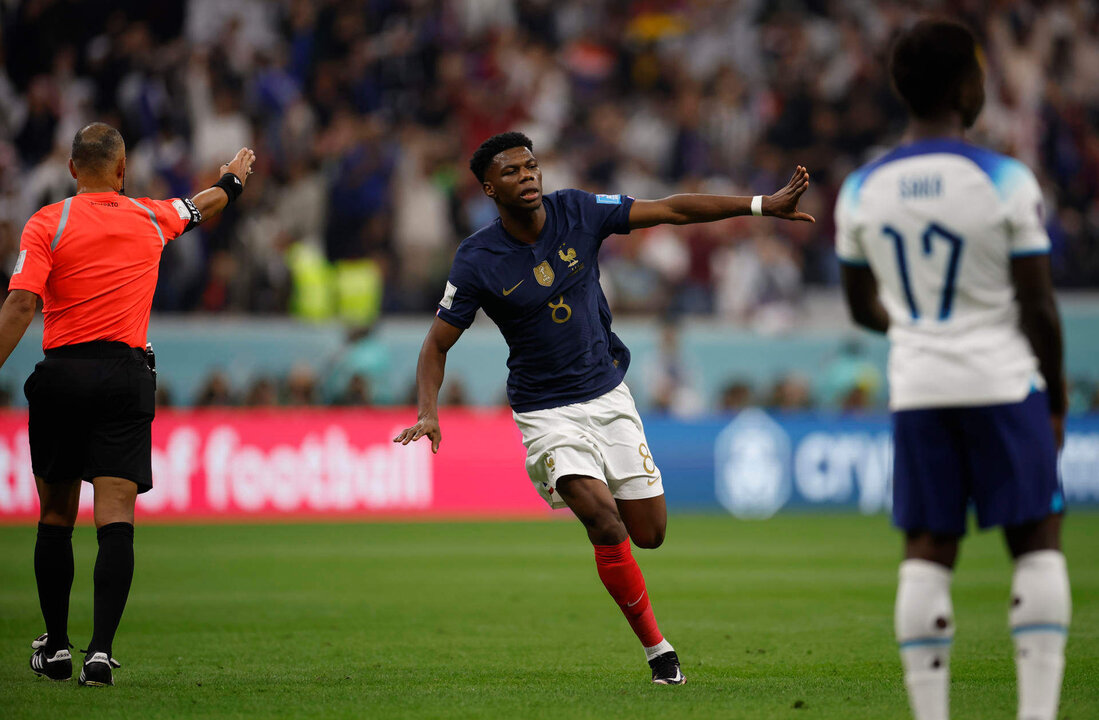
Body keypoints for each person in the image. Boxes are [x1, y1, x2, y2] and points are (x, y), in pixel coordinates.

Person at [395, 130, 813, 684]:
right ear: (488, 188)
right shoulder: (477, 259)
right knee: (602, 517)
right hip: (545, 412)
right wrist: (429, 410)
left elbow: (670, 210)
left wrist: (760, 205)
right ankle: (659, 651)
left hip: (608, 394)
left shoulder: (578, 211)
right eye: (513, 172)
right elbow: (436, 344)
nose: (528, 176)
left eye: (531, 166)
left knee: (650, 532)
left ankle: (619, 528)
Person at [835, 20, 1069, 720]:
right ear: (968, 84)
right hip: (1002, 381)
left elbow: (859, 305)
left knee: (928, 548)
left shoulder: (861, 188)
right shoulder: (1000, 178)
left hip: (919, 388)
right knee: (1033, 538)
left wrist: (912, 327)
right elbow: (1038, 304)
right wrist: (1054, 397)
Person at [0, 122, 255, 686]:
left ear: (72, 171)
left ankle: (58, 647)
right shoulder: (150, 215)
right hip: (124, 375)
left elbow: (21, 304)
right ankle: (99, 652)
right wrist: (233, 182)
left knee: (55, 515)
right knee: (115, 517)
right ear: (122, 170)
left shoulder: (49, 221)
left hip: (63, 373)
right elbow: (202, 206)